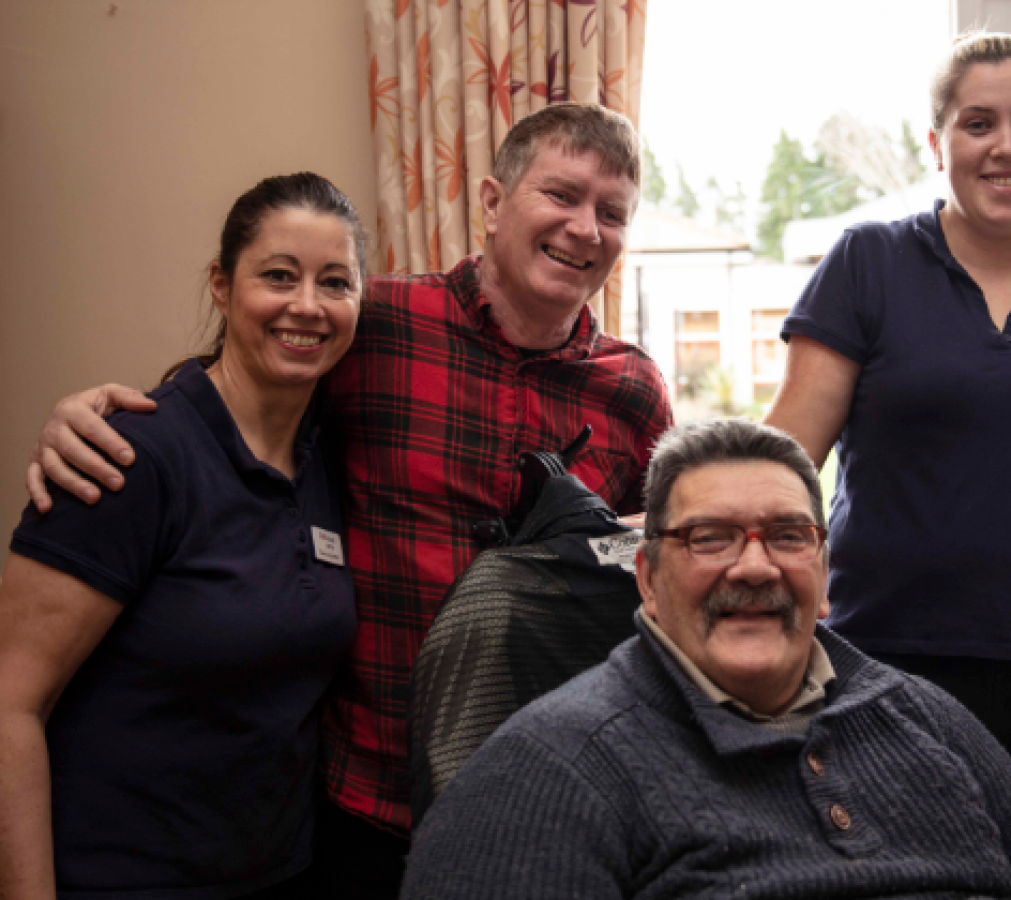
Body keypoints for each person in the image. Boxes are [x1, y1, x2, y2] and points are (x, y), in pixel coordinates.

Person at [22, 103, 673, 897]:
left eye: (612, 213)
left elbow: (650, 581)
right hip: (359, 807)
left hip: (536, 804)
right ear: (494, 203)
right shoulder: (376, 322)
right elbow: (241, 384)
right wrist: (89, 413)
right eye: (562, 196)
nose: (585, 228)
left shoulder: (635, 393)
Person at [400, 418, 1011, 900]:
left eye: (786, 536)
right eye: (711, 537)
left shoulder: (921, 714)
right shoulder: (547, 771)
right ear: (649, 578)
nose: (754, 567)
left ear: (822, 573)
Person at [763, 32, 1011, 863]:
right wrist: (676, 518)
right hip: (898, 664)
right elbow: (787, 455)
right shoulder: (868, 262)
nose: (1006, 146)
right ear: (937, 141)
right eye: (978, 123)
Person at [0, 174, 364, 899]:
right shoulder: (128, 457)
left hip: (280, 875)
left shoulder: (330, 460)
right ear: (222, 286)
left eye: (336, 282)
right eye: (279, 276)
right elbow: (9, 707)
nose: (307, 306)